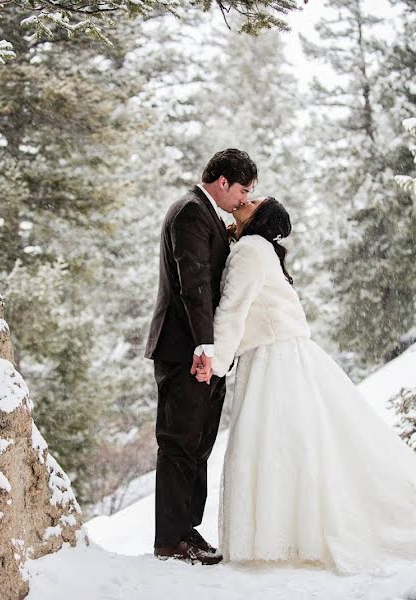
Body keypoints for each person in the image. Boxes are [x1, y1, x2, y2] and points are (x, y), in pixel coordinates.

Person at [194, 197, 416, 573]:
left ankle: (281, 535)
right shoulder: (258, 249)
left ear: (258, 220)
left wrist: (214, 361)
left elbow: (232, 311)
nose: (245, 199)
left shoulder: (251, 252)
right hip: (283, 355)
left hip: (273, 360)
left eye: (253, 201)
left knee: (274, 443)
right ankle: (291, 533)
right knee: (295, 444)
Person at [144, 149, 257, 565]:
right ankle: (170, 540)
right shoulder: (190, 212)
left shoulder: (205, 214)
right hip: (185, 350)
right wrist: (204, 347)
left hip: (201, 350)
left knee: (199, 443)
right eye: (242, 190)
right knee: (178, 442)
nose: (243, 200)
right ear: (222, 182)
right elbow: (194, 284)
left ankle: (187, 530)